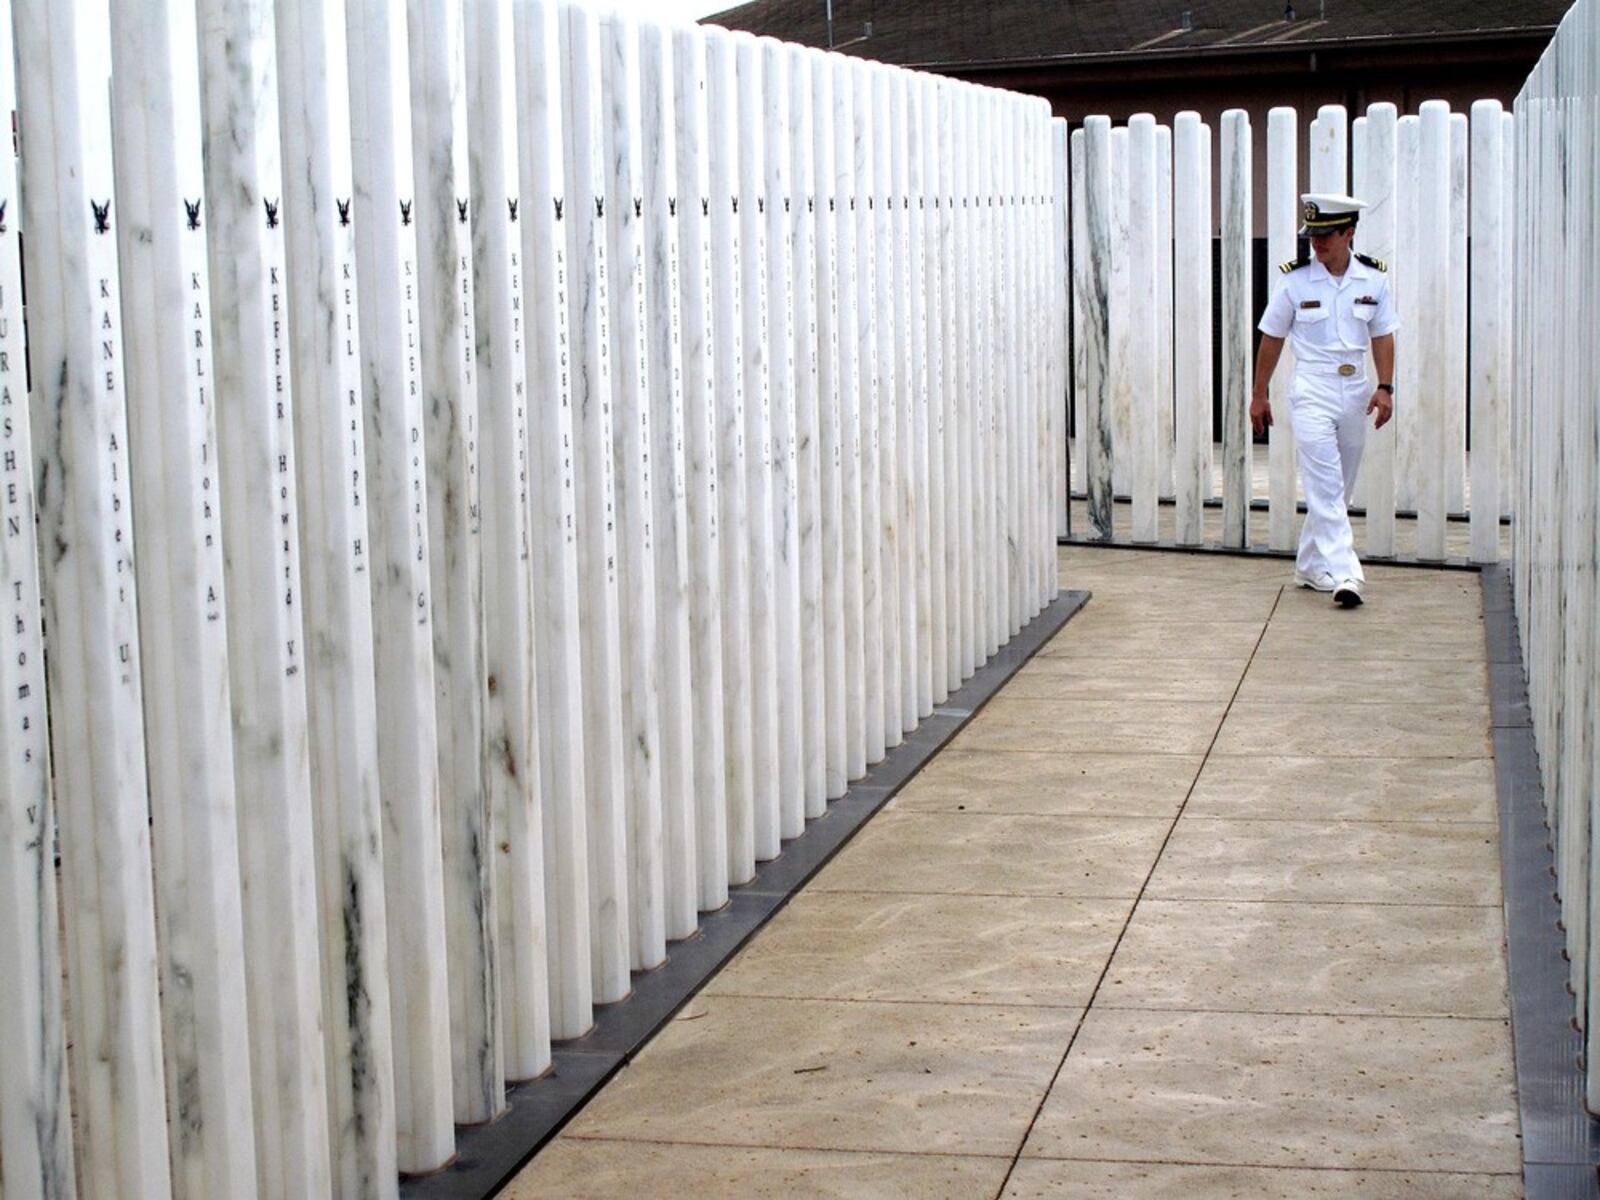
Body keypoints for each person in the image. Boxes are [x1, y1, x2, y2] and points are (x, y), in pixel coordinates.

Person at [1251, 192, 1398, 609]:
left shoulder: (1374, 279)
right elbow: (1272, 337)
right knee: (1325, 482)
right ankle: (1345, 572)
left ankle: (1311, 566)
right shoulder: (1294, 280)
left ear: (1349, 232)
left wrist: (1385, 387)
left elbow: (1383, 334)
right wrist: (1259, 394)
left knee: (1341, 486)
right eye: (1312, 236)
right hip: (1312, 389)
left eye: (1327, 235)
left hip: (1355, 390)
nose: (1317, 244)